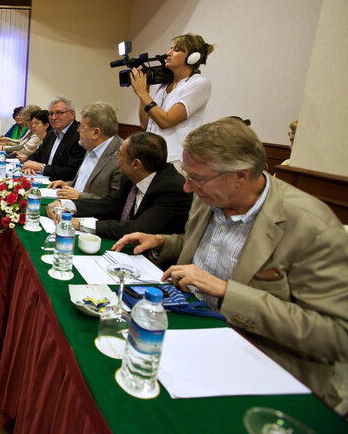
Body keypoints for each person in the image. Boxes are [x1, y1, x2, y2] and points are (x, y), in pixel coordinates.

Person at [111, 118, 348, 410]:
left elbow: (335, 335)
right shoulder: (209, 195)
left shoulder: (311, 227)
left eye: (196, 178)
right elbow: (203, 247)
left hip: (263, 367)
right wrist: (163, 241)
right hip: (188, 332)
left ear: (241, 176)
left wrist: (227, 291)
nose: (187, 187)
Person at [47, 131, 191, 240]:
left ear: (136, 164)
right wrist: (66, 204)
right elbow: (109, 204)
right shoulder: (131, 177)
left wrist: (80, 224)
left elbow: (139, 228)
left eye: (120, 154)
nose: (117, 159)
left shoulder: (173, 188)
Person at [130, 33, 214, 171]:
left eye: (176, 49)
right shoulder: (163, 86)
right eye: (170, 48)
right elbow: (144, 124)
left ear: (193, 57)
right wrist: (144, 91)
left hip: (175, 161)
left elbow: (166, 121)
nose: (168, 53)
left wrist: (143, 93)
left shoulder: (199, 83)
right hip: (152, 158)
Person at [48, 101, 123, 201]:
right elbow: (85, 185)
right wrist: (67, 184)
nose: (78, 130)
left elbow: (115, 203)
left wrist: (80, 196)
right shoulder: (91, 146)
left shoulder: (121, 156)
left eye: (82, 127)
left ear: (96, 132)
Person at [22, 96, 86, 181]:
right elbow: (36, 155)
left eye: (59, 113)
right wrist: (28, 167)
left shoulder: (79, 135)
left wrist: (41, 167)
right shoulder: (52, 133)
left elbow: (72, 171)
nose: (54, 118)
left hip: (61, 186)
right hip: (40, 180)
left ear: (72, 114)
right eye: (51, 114)